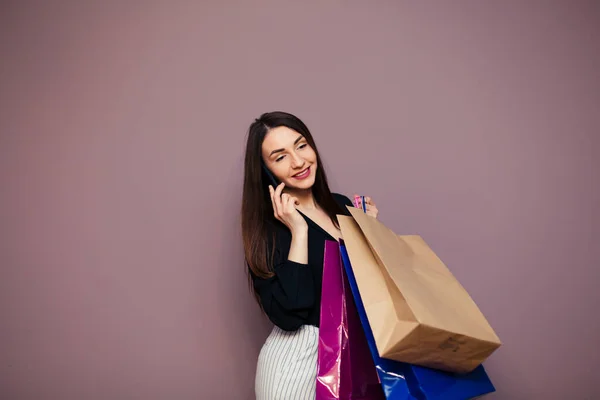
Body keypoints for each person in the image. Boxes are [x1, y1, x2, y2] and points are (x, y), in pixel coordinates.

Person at [241, 111, 379, 399]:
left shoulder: (341, 207)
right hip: (296, 363)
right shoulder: (268, 229)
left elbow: (368, 293)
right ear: (266, 171)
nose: (299, 161)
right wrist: (299, 231)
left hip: (353, 354)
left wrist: (372, 233)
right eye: (280, 157)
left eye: (301, 145)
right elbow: (291, 314)